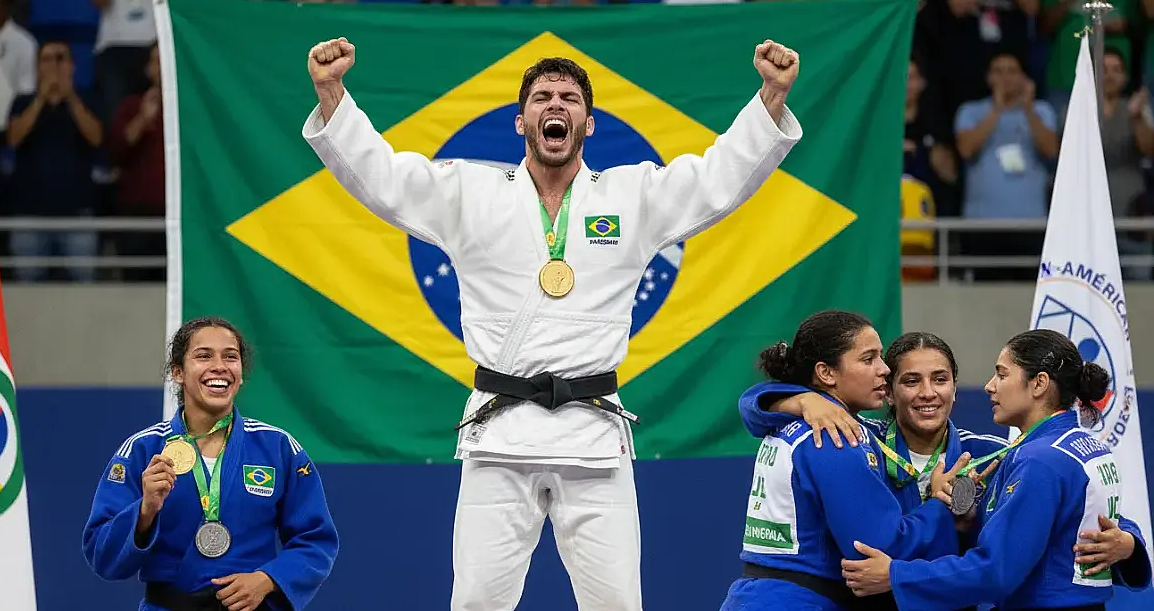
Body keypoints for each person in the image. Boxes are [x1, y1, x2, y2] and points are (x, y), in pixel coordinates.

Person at [301, 35, 803, 610]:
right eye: (542, 97)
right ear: (521, 121)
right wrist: (331, 92)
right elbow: (385, 180)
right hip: (499, 434)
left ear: (589, 124)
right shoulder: (471, 192)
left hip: (592, 434)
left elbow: (716, 179)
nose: (555, 105)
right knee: (475, 604)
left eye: (569, 97)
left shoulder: (630, 195)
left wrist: (770, 95)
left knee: (617, 604)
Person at [741, 331, 1149, 609]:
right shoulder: (854, 440)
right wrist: (802, 402)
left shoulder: (992, 455)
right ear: (889, 390)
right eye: (911, 381)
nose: (927, 393)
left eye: (940, 379)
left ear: (955, 387)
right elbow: (752, 409)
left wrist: (1128, 542)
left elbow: (1079, 502)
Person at [82, 317, 339, 610]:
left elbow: (317, 540)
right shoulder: (143, 449)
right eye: (203, 356)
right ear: (178, 372)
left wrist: (267, 579)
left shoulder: (277, 447)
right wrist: (145, 510)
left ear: (240, 374)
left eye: (230, 356)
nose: (219, 366)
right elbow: (102, 556)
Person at [722, 310, 968, 610]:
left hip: (756, 596)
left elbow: (752, 406)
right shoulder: (837, 436)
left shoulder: (790, 421)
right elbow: (878, 546)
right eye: (868, 359)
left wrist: (798, 399)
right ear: (826, 373)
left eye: (880, 357)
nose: (884, 370)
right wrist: (940, 504)